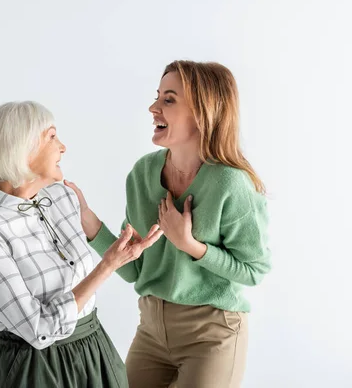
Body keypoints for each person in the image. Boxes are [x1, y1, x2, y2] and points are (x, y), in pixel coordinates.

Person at [65, 60, 271, 388]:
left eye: (168, 100)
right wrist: (88, 221)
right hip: (151, 331)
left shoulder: (231, 184)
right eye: (157, 96)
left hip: (212, 334)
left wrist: (191, 246)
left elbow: (254, 270)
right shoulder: (143, 174)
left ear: (203, 112)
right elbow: (134, 268)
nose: (153, 107)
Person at [0, 101, 164, 388]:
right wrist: (107, 266)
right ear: (23, 148)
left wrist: (124, 250)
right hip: (33, 366)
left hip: (94, 348)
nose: (63, 147)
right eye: (52, 137)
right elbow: (38, 329)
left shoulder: (61, 197)